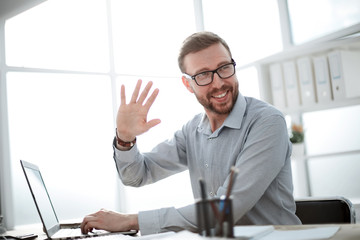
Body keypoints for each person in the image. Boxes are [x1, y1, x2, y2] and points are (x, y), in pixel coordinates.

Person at [80, 31, 301, 235]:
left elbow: (227, 207)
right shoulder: (192, 131)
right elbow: (137, 175)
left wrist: (131, 220)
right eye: (204, 75)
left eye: (224, 67)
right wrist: (125, 138)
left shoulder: (267, 122)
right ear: (188, 84)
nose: (219, 82)